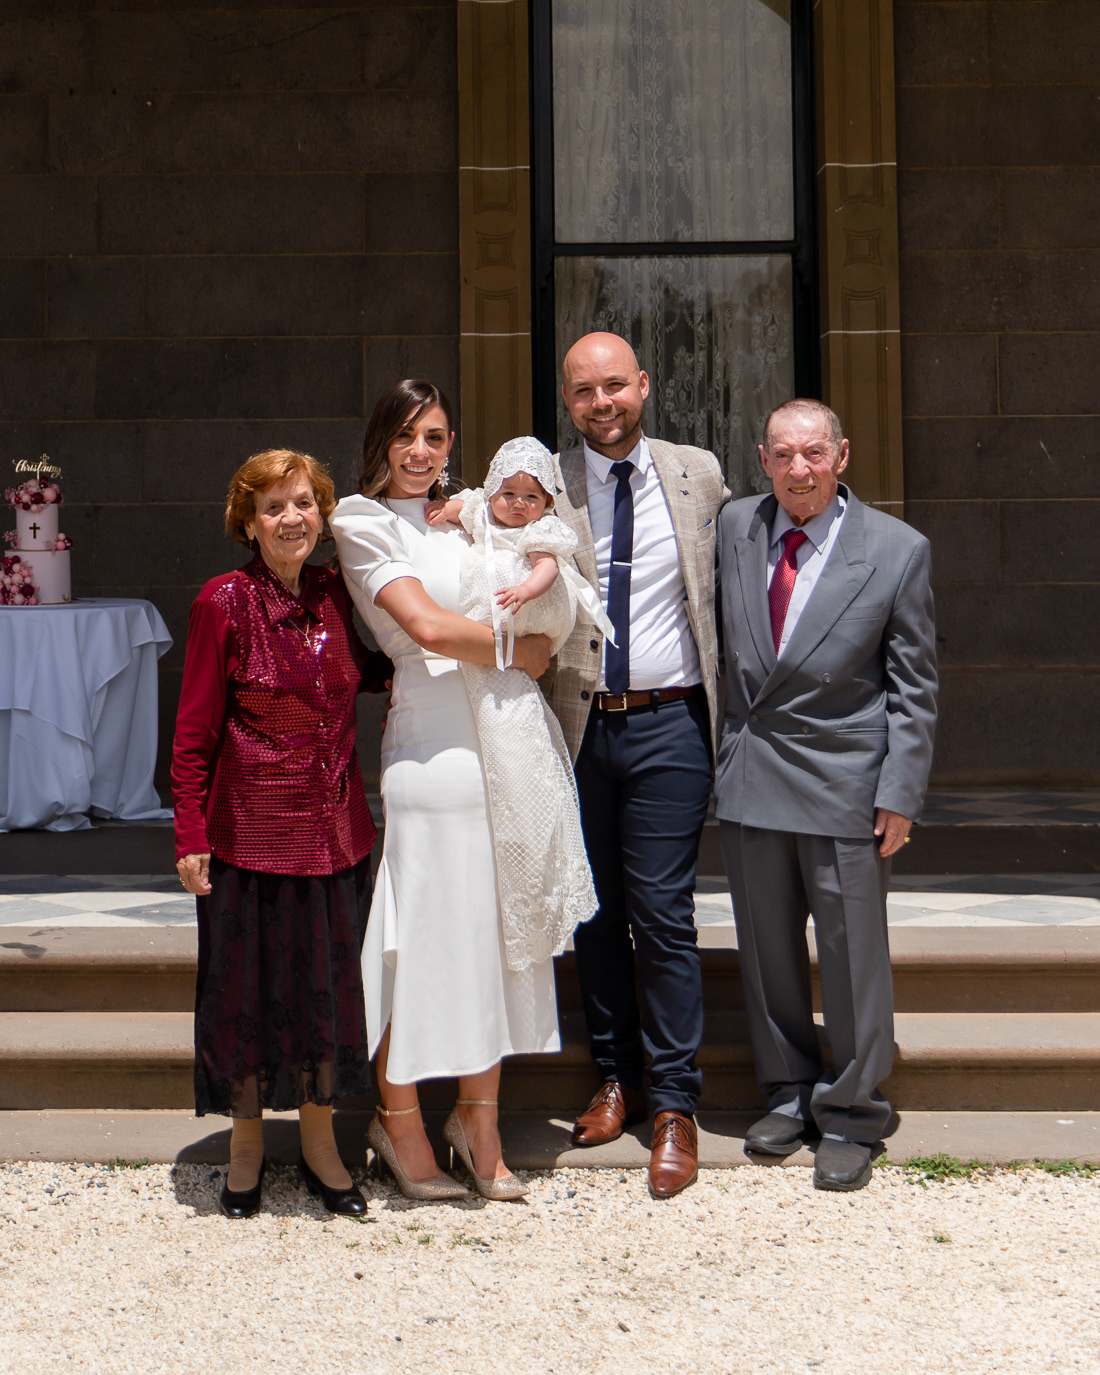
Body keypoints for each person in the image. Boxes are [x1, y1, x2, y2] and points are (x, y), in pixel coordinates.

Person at [331, 381, 557, 1203]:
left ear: (452, 442)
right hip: (429, 744)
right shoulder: (360, 520)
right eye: (405, 436)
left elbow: (549, 584)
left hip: (502, 738)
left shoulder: (467, 516)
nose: (419, 452)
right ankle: (397, 1121)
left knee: (488, 932)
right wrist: (516, 650)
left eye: (433, 436)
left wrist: (530, 631)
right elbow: (424, 626)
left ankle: (478, 1122)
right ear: (381, 441)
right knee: (422, 933)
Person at [715, 398, 938, 1192]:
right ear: (763, 460)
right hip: (754, 773)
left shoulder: (897, 548)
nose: (798, 469)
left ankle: (852, 1111)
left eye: (813, 453)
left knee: (851, 958)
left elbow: (915, 687)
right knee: (767, 952)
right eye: (782, 454)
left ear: (841, 456)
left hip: (846, 781)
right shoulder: (734, 526)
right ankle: (787, 1090)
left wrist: (900, 791)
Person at [172, 448, 392, 1219]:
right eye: (273, 507)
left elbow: (387, 664)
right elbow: (194, 732)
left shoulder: (341, 593)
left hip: (336, 837)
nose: (291, 518)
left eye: (303, 503)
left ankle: (321, 1142)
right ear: (249, 523)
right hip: (248, 839)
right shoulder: (222, 603)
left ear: (323, 514)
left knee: (325, 995)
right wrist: (189, 832)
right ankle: (246, 1145)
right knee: (245, 997)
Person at [545, 332, 729, 1199]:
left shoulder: (699, 474)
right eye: (585, 390)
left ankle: (676, 1103)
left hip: (670, 725)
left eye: (615, 385)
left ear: (644, 385)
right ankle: (616, 1076)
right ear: (568, 399)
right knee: (595, 913)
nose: (602, 403)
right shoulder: (547, 481)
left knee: (661, 914)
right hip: (576, 727)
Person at [425, 436, 614, 974]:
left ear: (547, 503)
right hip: (463, 671)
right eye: (508, 494)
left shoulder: (540, 533)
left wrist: (527, 591)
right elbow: (457, 507)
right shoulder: (479, 513)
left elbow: (547, 568)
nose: (518, 504)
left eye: (532, 497)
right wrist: (441, 511)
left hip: (510, 663)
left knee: (520, 776)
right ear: (491, 491)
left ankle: (530, 890)